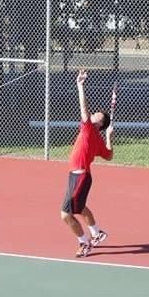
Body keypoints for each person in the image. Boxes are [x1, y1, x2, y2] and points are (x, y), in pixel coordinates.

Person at [61, 70, 114, 257]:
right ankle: (96, 233)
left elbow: (84, 108)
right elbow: (108, 155)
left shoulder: (90, 129)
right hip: (77, 175)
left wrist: (80, 85)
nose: (92, 116)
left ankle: (84, 243)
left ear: (99, 123)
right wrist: (108, 138)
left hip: (81, 176)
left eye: (96, 116)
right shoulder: (96, 137)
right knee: (80, 207)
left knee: (66, 214)